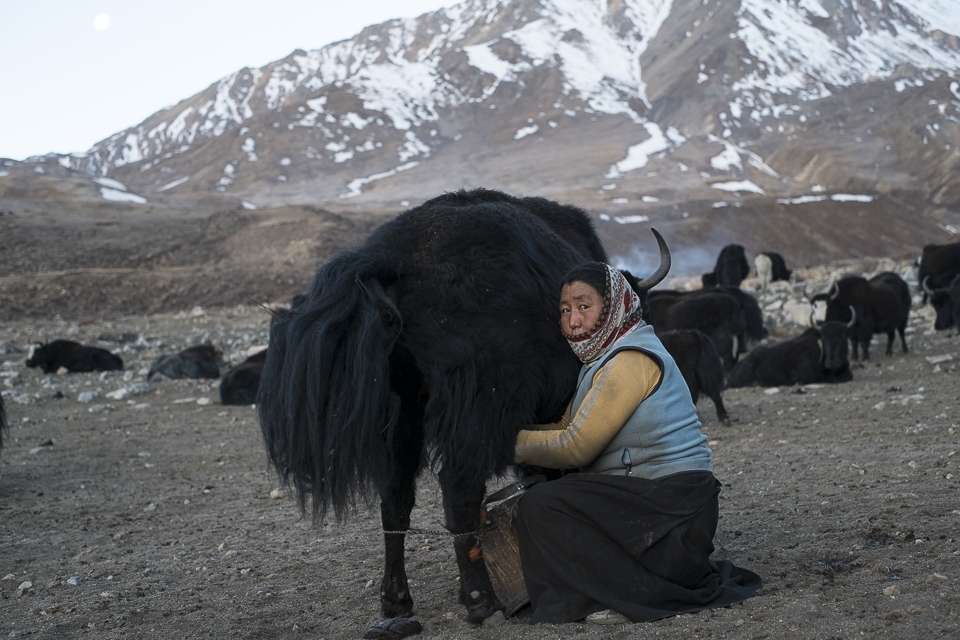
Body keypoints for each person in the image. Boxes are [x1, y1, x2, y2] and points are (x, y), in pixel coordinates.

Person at [513, 262, 761, 625]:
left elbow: (577, 445)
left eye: (584, 306)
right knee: (551, 497)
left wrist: (501, 445)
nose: (573, 321)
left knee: (541, 504)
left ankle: (603, 597)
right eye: (565, 310)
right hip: (655, 505)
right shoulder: (601, 360)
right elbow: (566, 424)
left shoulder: (630, 360)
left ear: (615, 304)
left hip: (672, 513)